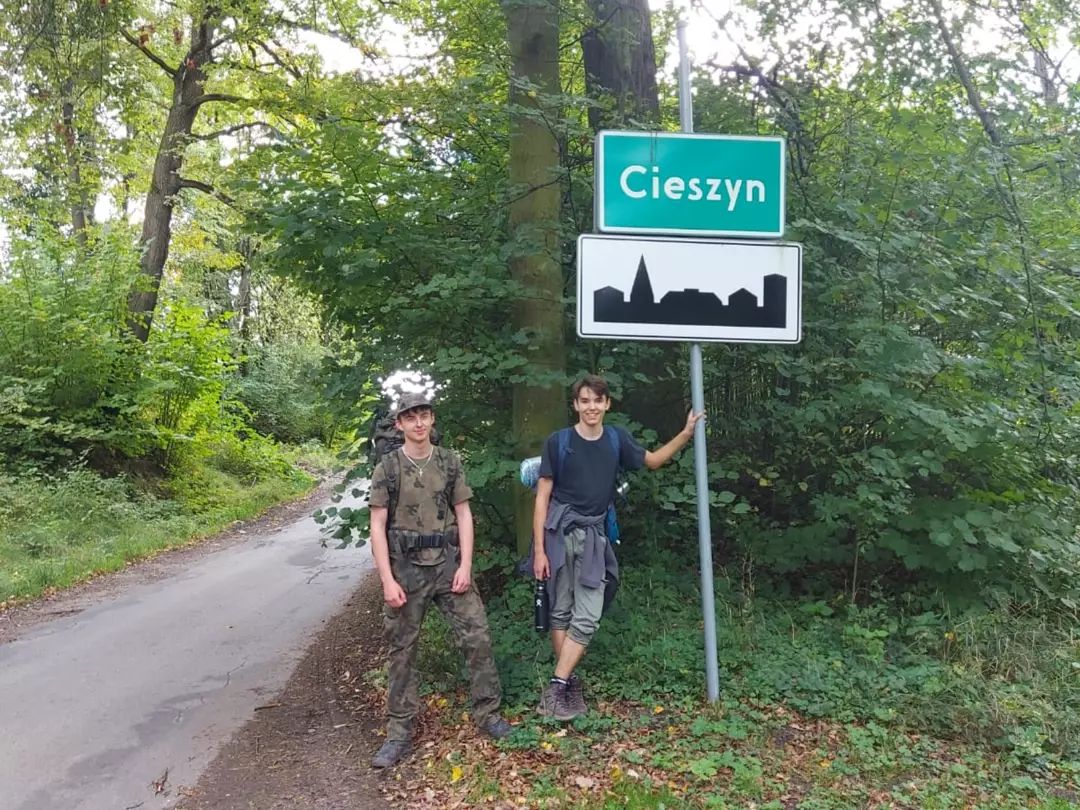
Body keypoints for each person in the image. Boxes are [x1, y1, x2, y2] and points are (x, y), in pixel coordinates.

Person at [531, 374, 704, 721]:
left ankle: (556, 686)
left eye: (598, 400)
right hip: (558, 534)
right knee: (561, 611)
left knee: (587, 616)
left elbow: (653, 461)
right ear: (575, 405)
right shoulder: (558, 442)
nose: (591, 407)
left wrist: (686, 434)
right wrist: (539, 551)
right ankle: (566, 687)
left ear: (607, 404)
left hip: (594, 537)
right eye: (585, 401)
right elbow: (542, 497)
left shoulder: (616, 439)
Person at [368, 392, 512, 768]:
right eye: (410, 417)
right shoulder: (388, 467)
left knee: (477, 636)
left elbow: (463, 514)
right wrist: (387, 580)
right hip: (405, 569)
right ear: (399, 424)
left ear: (432, 419)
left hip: (448, 564)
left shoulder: (449, 461)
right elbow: (377, 525)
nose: (418, 423)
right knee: (402, 651)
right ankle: (398, 733)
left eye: (424, 415)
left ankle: (489, 715)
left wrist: (466, 565)